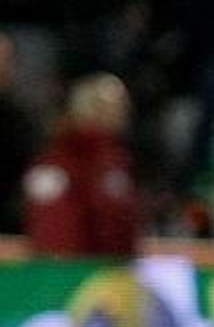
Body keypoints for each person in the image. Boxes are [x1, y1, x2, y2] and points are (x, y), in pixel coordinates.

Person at [23, 73, 138, 257]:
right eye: (114, 108)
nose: (123, 115)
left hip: (110, 270)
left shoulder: (115, 160)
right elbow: (54, 232)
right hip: (75, 270)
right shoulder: (61, 162)